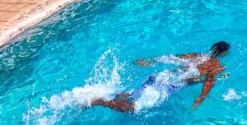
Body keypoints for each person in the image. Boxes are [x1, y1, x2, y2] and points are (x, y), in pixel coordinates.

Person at [91, 42, 230, 113]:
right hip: (168, 85)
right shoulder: (217, 67)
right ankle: (99, 101)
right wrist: (198, 101)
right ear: (224, 54)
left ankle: (104, 95)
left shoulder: (195, 56)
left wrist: (149, 61)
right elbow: (208, 83)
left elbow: (171, 58)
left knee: (132, 94)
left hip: (159, 76)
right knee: (135, 108)